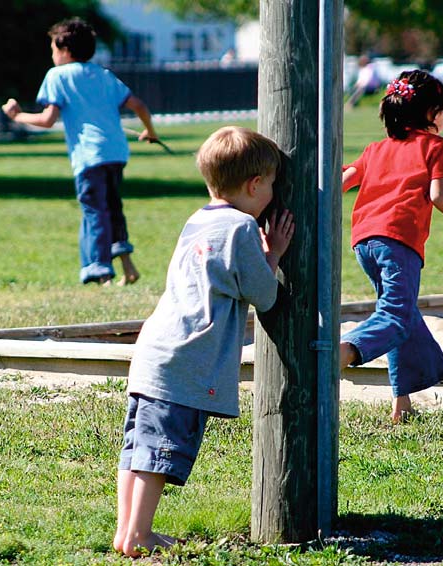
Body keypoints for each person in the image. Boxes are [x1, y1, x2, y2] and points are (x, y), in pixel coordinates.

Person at [113, 126, 295, 557]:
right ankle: (138, 536)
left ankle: (128, 531)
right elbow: (264, 295)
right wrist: (274, 255)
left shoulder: (198, 219)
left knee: (138, 447)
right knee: (158, 451)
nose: (272, 192)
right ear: (254, 185)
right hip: (186, 357)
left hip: (156, 349)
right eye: (270, 184)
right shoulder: (242, 229)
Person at [339, 70, 443, 423]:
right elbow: (438, 195)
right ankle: (340, 353)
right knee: (396, 316)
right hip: (399, 241)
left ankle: (401, 404)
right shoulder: (437, 147)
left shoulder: (376, 149)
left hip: (364, 242)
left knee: (402, 316)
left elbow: (341, 182)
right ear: (432, 113)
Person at [2, 18, 158, 285]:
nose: (52, 56)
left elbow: (47, 119)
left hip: (89, 156)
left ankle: (101, 272)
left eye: (52, 49)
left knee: (94, 211)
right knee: (112, 208)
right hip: (116, 153)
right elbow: (139, 105)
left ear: (64, 50)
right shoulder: (104, 74)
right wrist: (150, 132)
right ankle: (128, 267)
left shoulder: (57, 76)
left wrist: (17, 117)